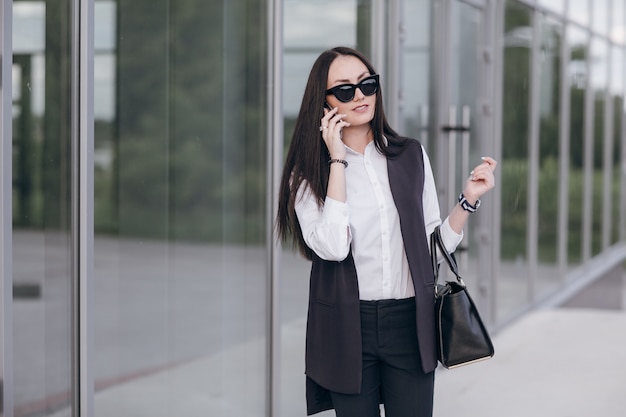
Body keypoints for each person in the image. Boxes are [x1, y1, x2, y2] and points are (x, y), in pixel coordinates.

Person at [276, 46, 496, 417]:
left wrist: (468, 201)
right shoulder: (307, 174)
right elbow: (331, 247)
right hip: (348, 326)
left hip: (410, 321)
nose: (360, 95)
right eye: (344, 90)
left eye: (367, 83)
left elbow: (431, 246)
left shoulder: (409, 154)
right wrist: (336, 161)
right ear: (324, 102)